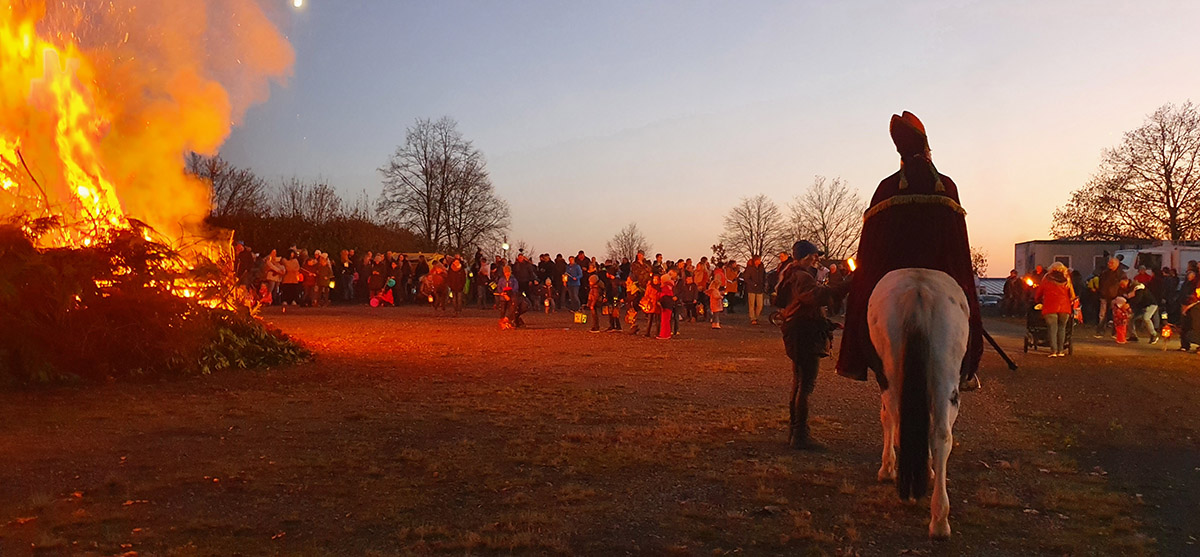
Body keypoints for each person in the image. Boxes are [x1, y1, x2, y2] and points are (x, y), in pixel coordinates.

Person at [836, 111, 983, 391]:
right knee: (966, 303)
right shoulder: (946, 185)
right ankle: (966, 370)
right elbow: (956, 245)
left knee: (864, 297)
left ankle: (854, 361)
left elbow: (874, 245)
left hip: (892, 271)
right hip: (941, 270)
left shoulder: (887, 187)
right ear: (927, 149)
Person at [777, 240, 853, 449]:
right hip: (804, 334)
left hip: (800, 331)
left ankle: (795, 432)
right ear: (803, 257)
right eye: (813, 255)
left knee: (799, 382)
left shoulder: (793, 275)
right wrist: (847, 285)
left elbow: (802, 304)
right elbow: (816, 297)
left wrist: (826, 323)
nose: (816, 258)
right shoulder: (801, 276)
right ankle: (801, 435)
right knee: (805, 384)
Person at [1034, 261, 1075, 357]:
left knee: (1052, 328)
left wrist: (1037, 300)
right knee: (1062, 328)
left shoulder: (1046, 278)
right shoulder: (1067, 279)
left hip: (1050, 306)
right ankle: (1061, 351)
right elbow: (1072, 295)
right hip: (1064, 307)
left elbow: (1039, 292)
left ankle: (1053, 351)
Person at [1095, 257, 1126, 337]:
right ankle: (1100, 331)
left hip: (1115, 297)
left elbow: (1123, 286)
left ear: (1116, 264)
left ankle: (1115, 332)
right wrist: (1100, 292)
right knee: (1102, 315)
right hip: (1104, 296)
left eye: (1111, 263)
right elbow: (1100, 283)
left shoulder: (1121, 274)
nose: (1109, 264)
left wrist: (1118, 295)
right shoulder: (1105, 273)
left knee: (1115, 315)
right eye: (1109, 263)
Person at [744, 254, 767, 324]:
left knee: (760, 305)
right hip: (751, 288)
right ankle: (752, 318)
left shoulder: (761, 268)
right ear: (755, 261)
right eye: (759, 260)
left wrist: (764, 283)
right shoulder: (749, 268)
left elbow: (764, 276)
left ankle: (756, 316)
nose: (760, 261)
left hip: (760, 288)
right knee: (751, 304)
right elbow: (746, 278)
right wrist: (752, 284)